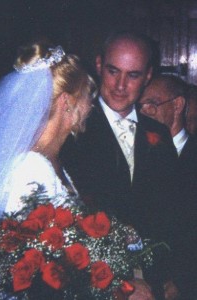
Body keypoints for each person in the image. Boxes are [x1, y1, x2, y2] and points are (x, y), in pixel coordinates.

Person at [0, 41, 96, 298]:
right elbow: (28, 263)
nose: (91, 105)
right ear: (66, 102)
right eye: (87, 95)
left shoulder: (49, 160)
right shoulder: (31, 168)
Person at [61, 31, 179, 299]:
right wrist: (120, 284)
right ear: (99, 65)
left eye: (133, 75)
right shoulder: (72, 131)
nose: (120, 85)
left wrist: (174, 278)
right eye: (114, 71)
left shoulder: (158, 133)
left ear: (148, 76)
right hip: (97, 284)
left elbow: (175, 210)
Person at [140, 74, 197, 299]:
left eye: (152, 104)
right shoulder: (141, 153)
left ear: (177, 105)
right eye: (140, 105)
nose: (143, 111)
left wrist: (182, 280)